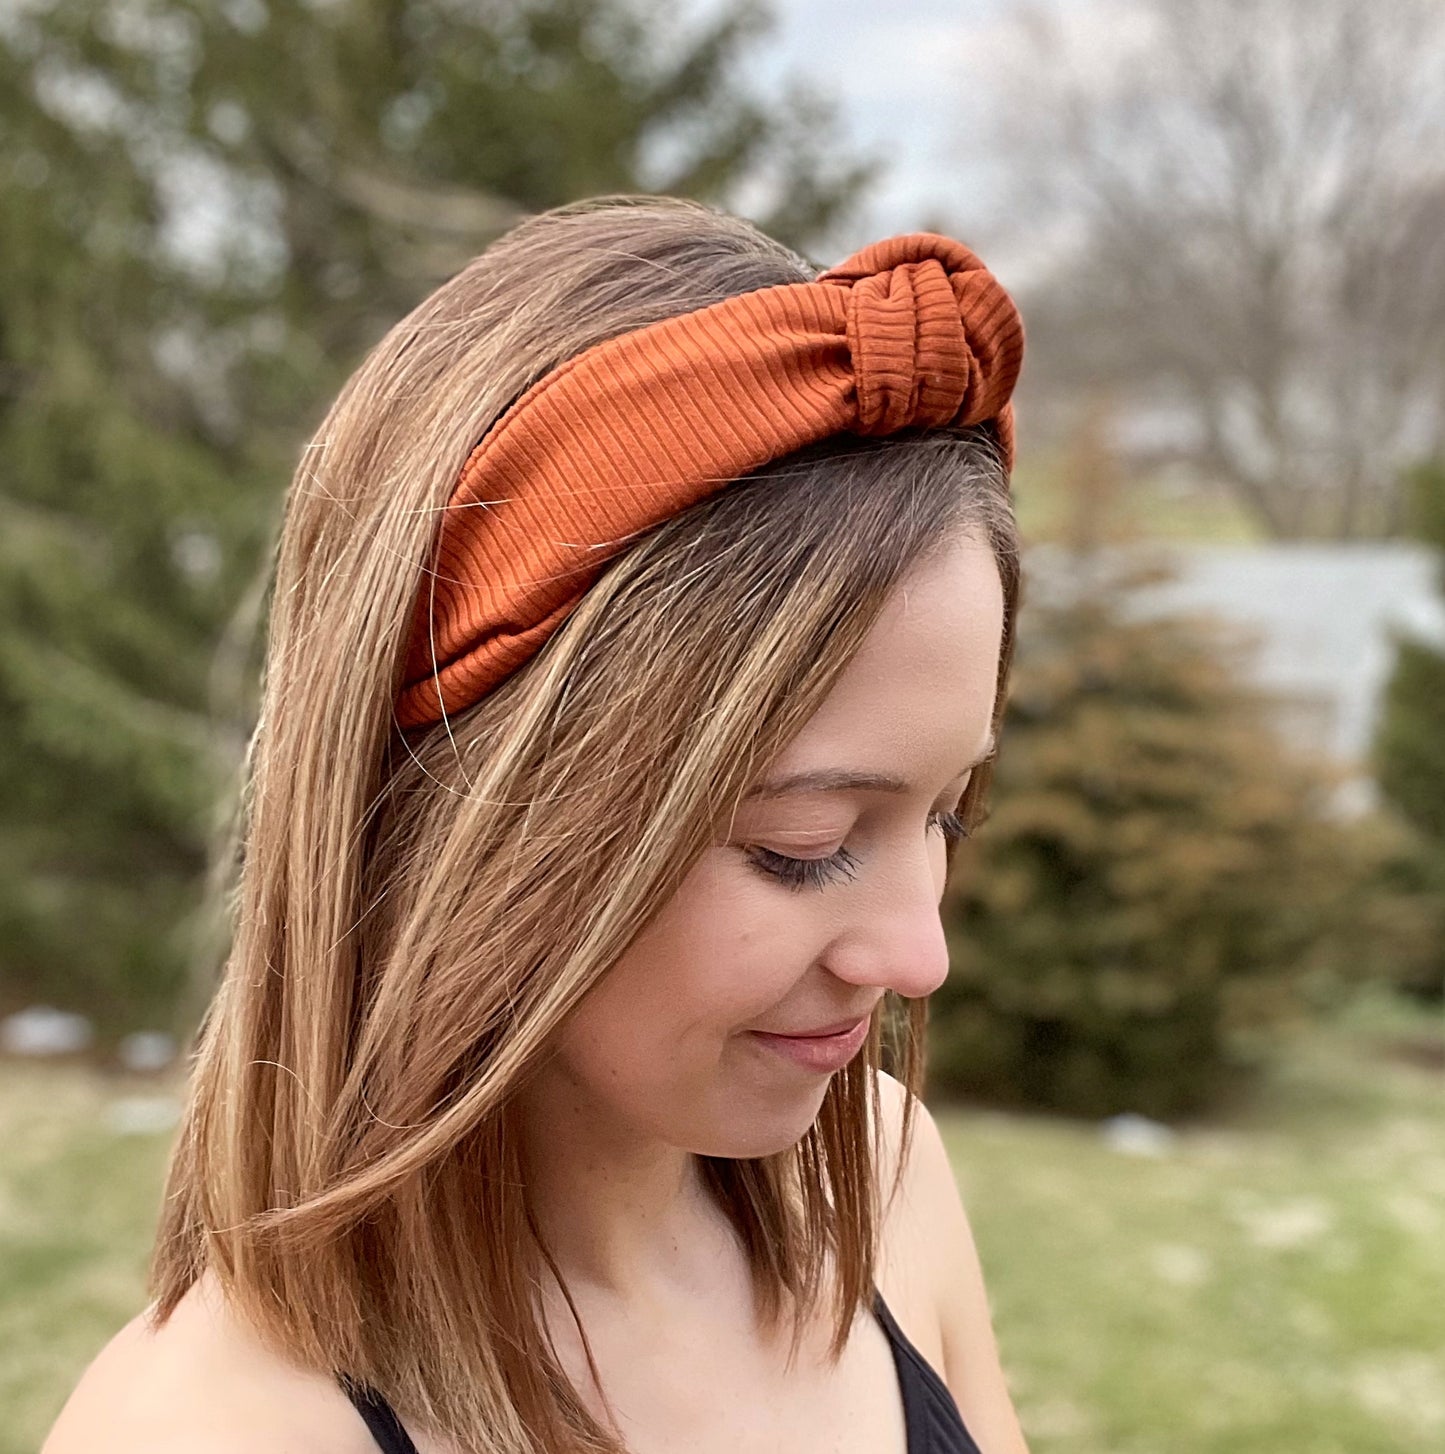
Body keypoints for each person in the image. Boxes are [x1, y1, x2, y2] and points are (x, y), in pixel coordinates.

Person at [43, 194, 1031, 1454]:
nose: (917, 956)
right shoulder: (216, 1428)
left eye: (947, 811)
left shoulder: (886, 1190)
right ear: (473, 820)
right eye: (803, 840)